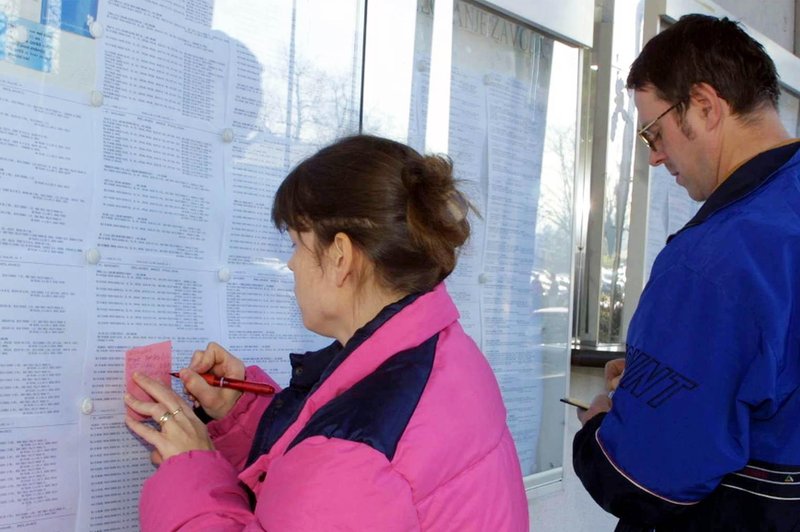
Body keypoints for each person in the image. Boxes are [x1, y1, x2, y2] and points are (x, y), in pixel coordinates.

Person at [123, 134, 529, 531]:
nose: (291, 265)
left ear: (340, 256)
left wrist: (190, 468)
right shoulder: (439, 352)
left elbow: (340, 476)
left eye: (299, 244)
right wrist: (237, 413)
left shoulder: (356, 455)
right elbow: (319, 485)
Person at [573, 14, 800, 531]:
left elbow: (645, 475)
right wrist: (660, 375)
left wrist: (605, 422)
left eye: (654, 132)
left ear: (704, 105)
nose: (655, 157)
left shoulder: (715, 261)